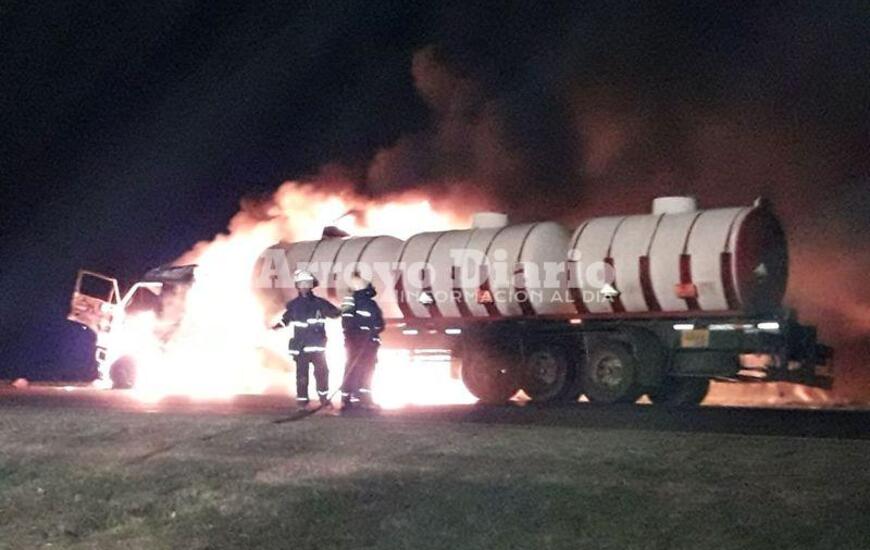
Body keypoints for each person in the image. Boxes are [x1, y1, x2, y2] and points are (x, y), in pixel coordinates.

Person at [272, 269, 340, 409]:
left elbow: (335, 313)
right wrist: (277, 326)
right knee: (302, 377)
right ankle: (302, 403)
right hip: (301, 348)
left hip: (317, 348)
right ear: (297, 285)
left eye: (307, 283)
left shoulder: (320, 303)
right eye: (301, 283)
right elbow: (286, 319)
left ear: (311, 285)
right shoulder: (294, 305)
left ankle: (324, 399)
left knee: (322, 374)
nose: (304, 286)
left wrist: (346, 308)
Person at [340, 275, 384, 409]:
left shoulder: (371, 304)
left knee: (367, 370)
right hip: (356, 343)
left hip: (369, 344)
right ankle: (348, 398)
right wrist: (357, 337)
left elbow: (380, 323)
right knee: (353, 369)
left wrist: (372, 331)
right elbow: (347, 323)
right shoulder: (350, 302)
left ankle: (363, 398)